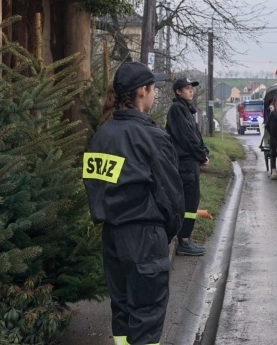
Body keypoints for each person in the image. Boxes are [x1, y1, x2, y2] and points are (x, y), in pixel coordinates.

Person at [83, 61, 184, 345]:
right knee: (147, 315)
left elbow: (94, 184)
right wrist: (166, 234)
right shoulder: (151, 137)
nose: (155, 95)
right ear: (142, 91)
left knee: (123, 309)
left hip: (112, 235)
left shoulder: (102, 134)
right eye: (153, 89)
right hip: (144, 235)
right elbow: (172, 197)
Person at [166, 77, 210, 257]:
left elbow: (194, 136)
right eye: (186, 88)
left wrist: (203, 151)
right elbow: (187, 137)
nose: (191, 91)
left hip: (190, 162)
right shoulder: (177, 109)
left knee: (191, 201)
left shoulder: (185, 109)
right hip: (185, 163)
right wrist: (201, 155)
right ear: (178, 91)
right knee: (189, 202)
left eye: (192, 88)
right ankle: (183, 241)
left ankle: (186, 238)